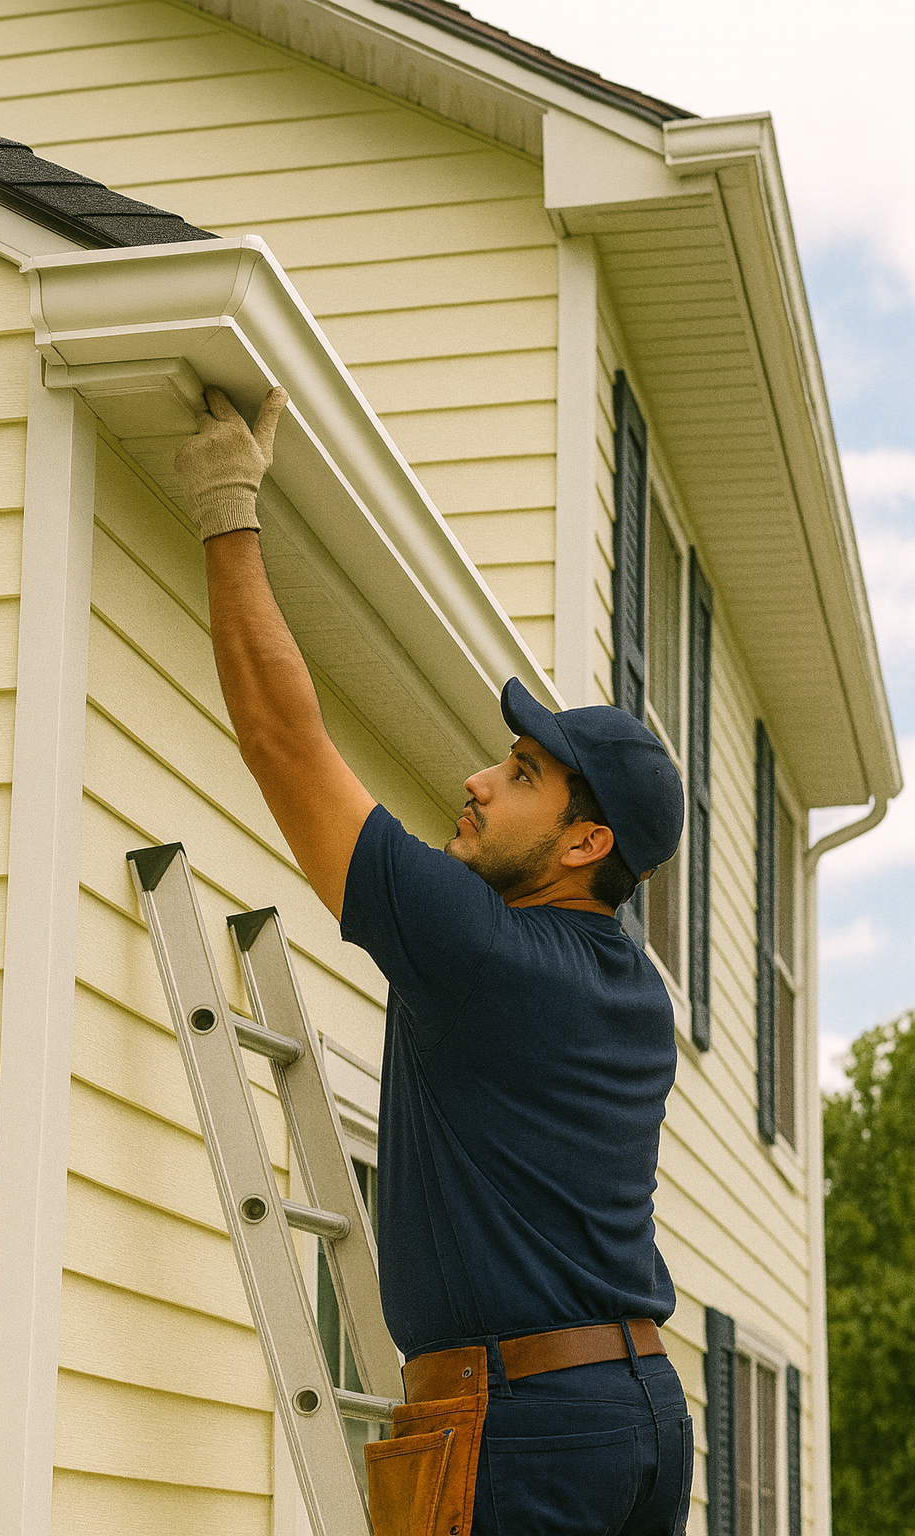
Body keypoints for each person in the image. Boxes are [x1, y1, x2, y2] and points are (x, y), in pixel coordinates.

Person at [175, 385, 693, 1536]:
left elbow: (279, 739)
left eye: (519, 773)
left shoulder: (484, 954)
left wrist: (223, 497)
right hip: (640, 1419)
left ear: (583, 841)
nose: (475, 778)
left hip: (531, 1429)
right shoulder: (631, 994)